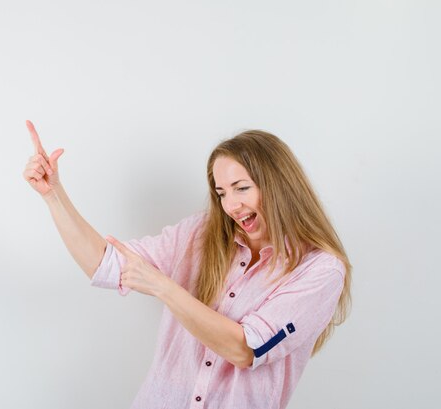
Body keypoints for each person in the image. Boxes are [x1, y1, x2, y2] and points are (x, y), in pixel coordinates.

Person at [22, 120, 351, 409]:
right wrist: (54, 195)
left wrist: (164, 288)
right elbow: (105, 265)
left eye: (241, 188)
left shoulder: (320, 271)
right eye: (221, 193)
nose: (231, 205)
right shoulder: (199, 234)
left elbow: (248, 348)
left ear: (280, 186)